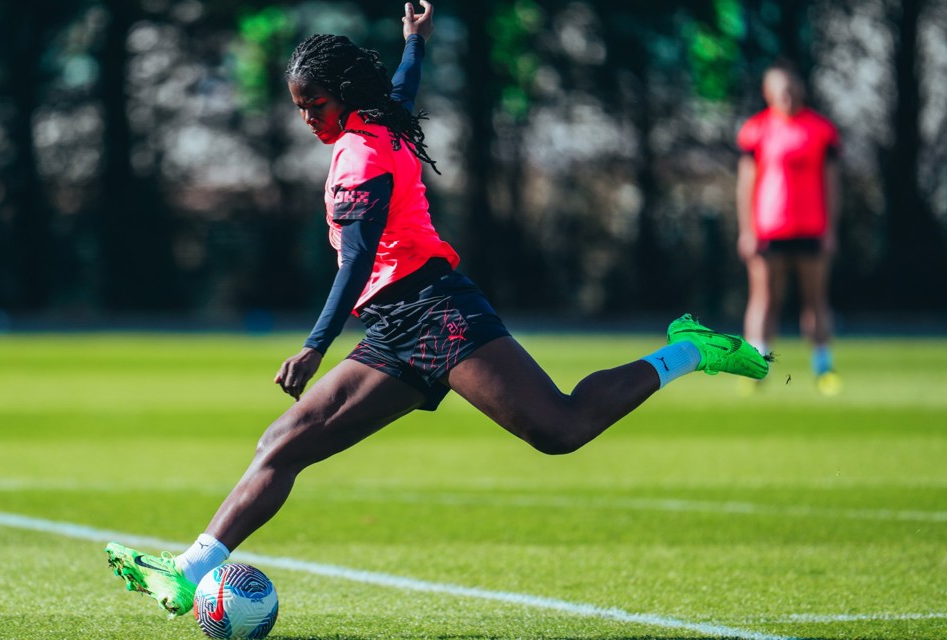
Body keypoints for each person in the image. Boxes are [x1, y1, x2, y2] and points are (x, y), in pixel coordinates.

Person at [105, 1, 770, 618]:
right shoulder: (377, 119)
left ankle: (691, 348)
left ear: (342, 96)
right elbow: (403, 90)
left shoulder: (362, 155)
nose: (308, 117)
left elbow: (356, 263)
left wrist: (314, 344)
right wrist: (415, 43)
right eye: (300, 107)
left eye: (316, 104)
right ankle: (189, 571)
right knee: (283, 442)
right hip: (395, 328)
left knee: (560, 428)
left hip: (437, 313)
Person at [736, 60, 842, 395]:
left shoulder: (821, 130)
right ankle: (755, 367)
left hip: (811, 227)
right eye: (782, 90)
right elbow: (745, 184)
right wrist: (746, 228)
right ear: (768, 93)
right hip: (769, 228)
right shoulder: (756, 130)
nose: (789, 96)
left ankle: (823, 367)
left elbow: (833, 183)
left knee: (815, 300)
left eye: (794, 89)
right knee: (764, 300)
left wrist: (831, 229)